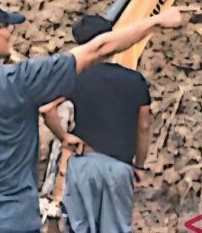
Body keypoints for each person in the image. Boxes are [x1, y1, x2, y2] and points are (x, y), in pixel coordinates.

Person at [0, 0, 184, 233]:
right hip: (11, 222)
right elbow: (97, 49)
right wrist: (156, 20)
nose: (11, 35)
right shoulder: (20, 81)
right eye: (8, 27)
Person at [42, 57, 154, 233]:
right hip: (119, 169)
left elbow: (47, 108)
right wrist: (139, 165)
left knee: (77, 228)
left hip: (83, 164)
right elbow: (144, 126)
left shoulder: (79, 78)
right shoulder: (135, 80)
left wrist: (63, 137)